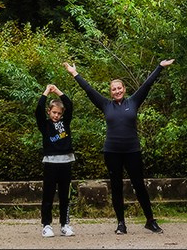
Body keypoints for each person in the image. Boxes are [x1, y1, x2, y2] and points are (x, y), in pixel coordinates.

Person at [64, 58, 175, 235]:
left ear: (124, 89)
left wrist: (159, 67)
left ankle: (150, 221)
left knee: (139, 185)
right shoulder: (105, 105)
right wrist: (74, 73)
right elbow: (89, 90)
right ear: (111, 92)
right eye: (113, 89)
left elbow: (147, 85)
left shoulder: (133, 102)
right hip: (112, 151)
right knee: (116, 187)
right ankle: (121, 224)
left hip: (132, 151)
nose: (117, 91)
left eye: (119, 88)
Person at [35, 83, 75, 238]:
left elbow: (69, 104)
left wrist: (57, 91)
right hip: (51, 163)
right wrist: (46, 92)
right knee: (48, 195)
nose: (56, 115)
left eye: (59, 113)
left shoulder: (65, 123)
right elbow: (38, 110)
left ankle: (65, 224)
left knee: (65, 196)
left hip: (66, 163)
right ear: (49, 111)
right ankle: (46, 225)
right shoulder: (44, 125)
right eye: (53, 112)